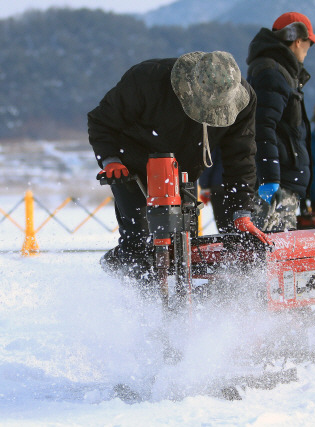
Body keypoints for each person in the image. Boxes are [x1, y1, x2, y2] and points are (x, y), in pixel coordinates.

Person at [88, 51, 271, 284]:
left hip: (183, 172)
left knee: (182, 248)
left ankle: (180, 307)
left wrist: (242, 211)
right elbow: (100, 121)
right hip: (131, 168)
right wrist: (110, 159)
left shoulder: (243, 100)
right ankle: (135, 295)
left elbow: (241, 157)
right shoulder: (147, 79)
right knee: (141, 243)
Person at [246, 11, 315, 231]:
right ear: (298, 41)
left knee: (277, 251)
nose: (308, 51)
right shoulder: (273, 74)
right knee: (275, 252)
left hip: (283, 180)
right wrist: (270, 178)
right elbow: (263, 126)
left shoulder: (281, 73)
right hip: (277, 184)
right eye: (309, 44)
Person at [197, 146, 231, 233]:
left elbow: (208, 161)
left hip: (218, 186)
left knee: (223, 225)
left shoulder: (216, 135)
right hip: (239, 185)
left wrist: (204, 186)